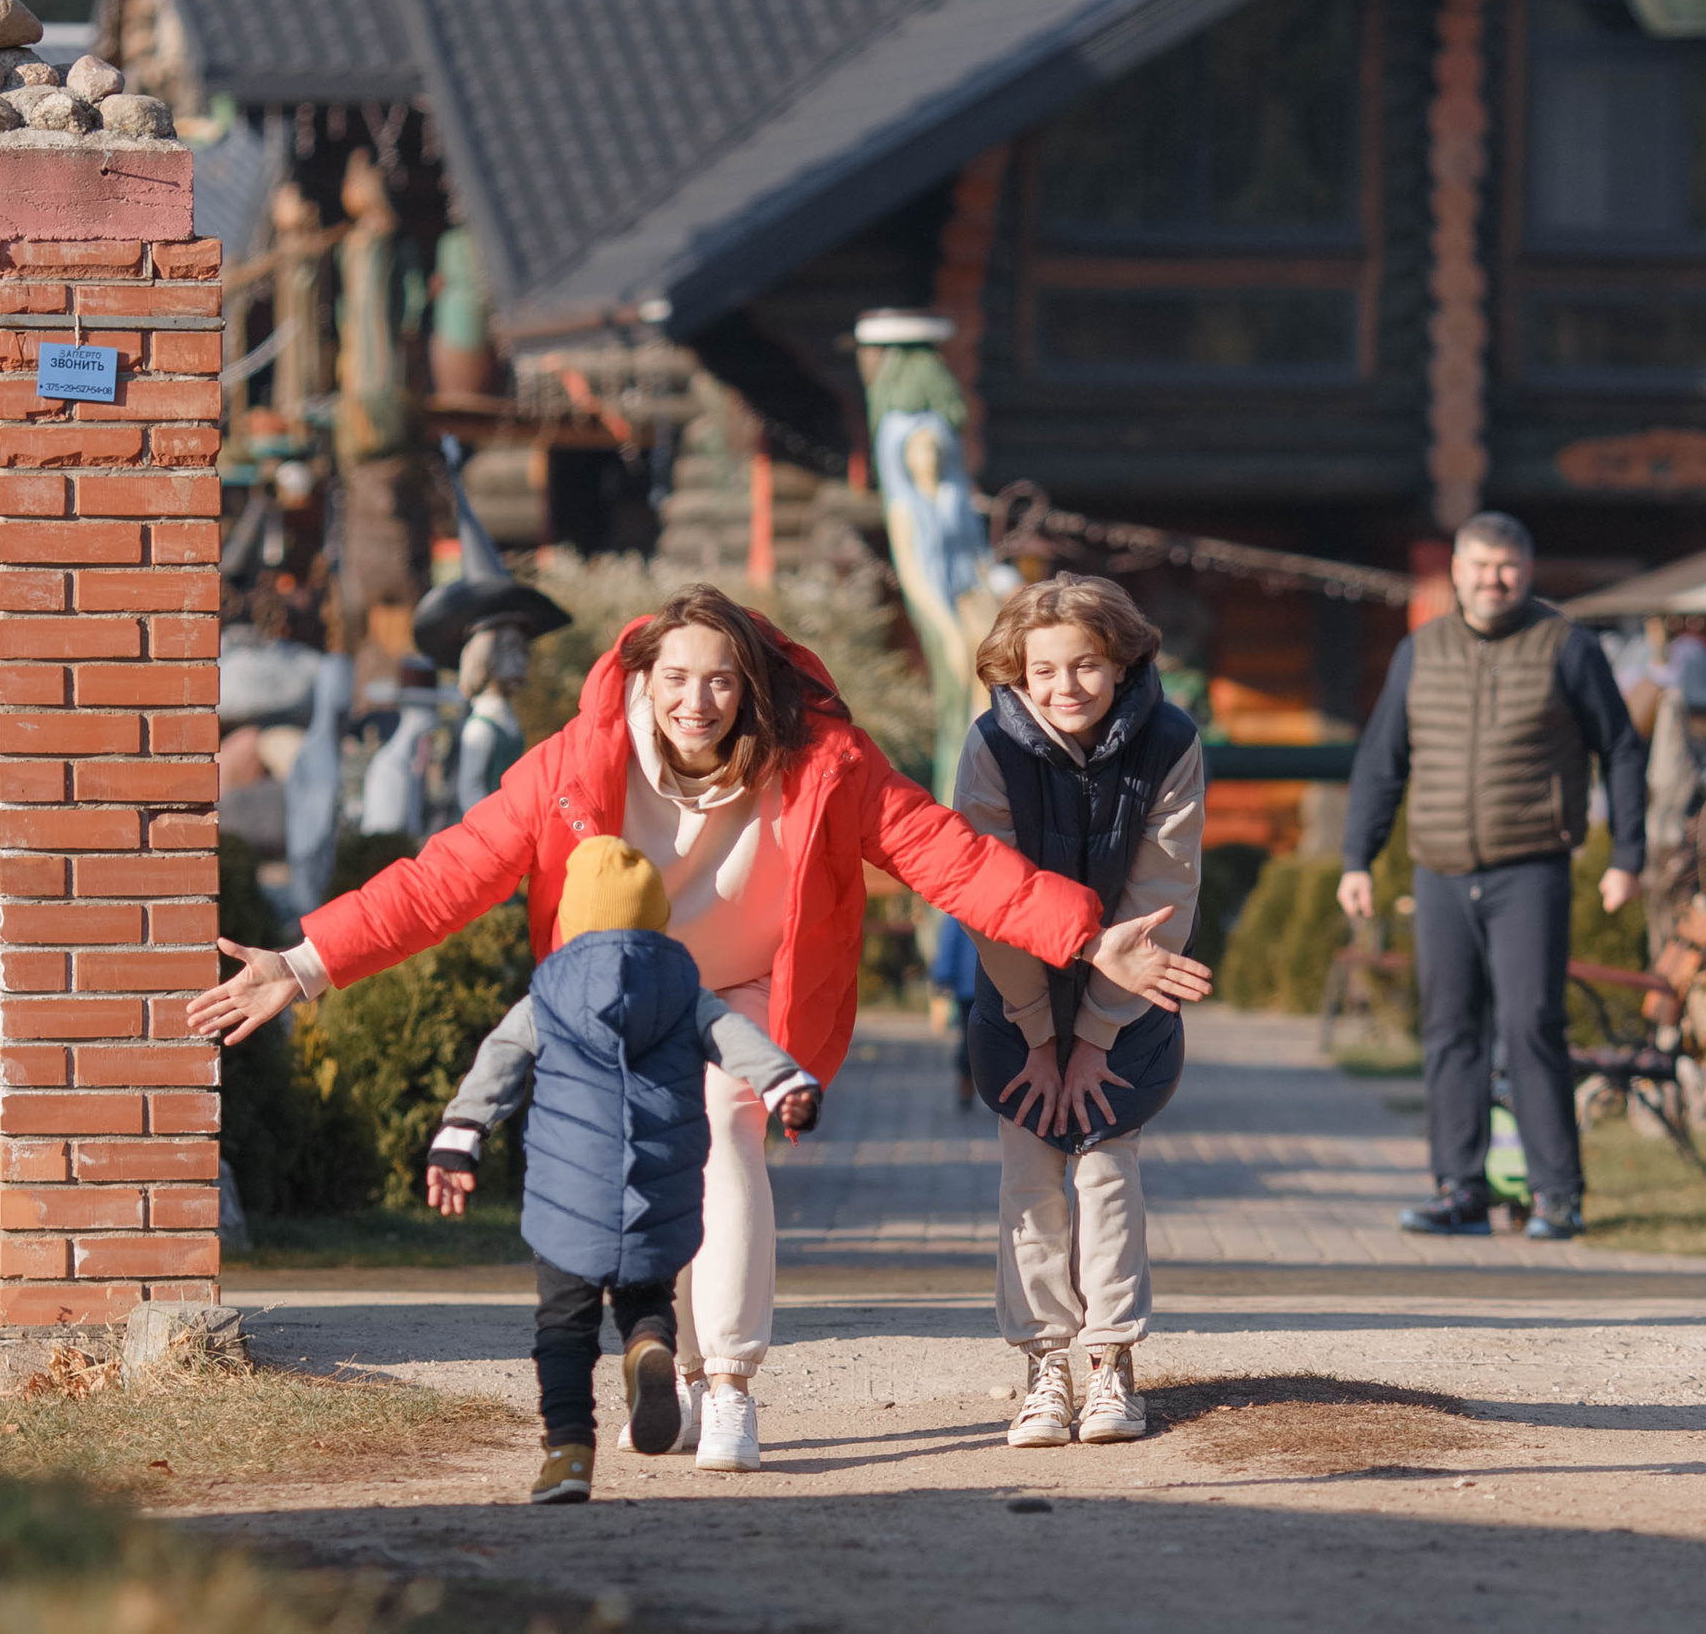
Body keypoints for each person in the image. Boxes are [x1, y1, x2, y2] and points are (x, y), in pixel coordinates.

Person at [189, 584, 1212, 1473]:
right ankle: (671, 1362)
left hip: (756, 988)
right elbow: (446, 876)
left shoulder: (824, 763)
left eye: (719, 679)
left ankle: (729, 1379)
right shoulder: (573, 766)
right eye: (674, 676)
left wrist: (1085, 939)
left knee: (727, 1128)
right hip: (628, 996)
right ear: (640, 675)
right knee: (648, 1166)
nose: (695, 700)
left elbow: (954, 859)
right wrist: (304, 962)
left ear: (751, 684)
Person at [422, 837, 815, 1500]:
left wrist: (459, 1137)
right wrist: (784, 1085)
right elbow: (736, 1040)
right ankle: (648, 1349)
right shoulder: (686, 989)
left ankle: (570, 1453)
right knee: (646, 1297)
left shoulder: (546, 995)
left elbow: (498, 1062)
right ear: (658, 918)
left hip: (567, 1196)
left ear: (572, 920)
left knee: (564, 1328)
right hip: (658, 1189)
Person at [1339, 513, 1648, 1241]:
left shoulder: (1566, 647)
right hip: (1440, 868)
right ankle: (1459, 1188)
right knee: (1449, 1031)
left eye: (1506, 566)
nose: (1493, 580)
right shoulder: (1421, 651)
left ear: (1528, 569)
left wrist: (1627, 856)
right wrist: (1359, 856)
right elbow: (1383, 761)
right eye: (1479, 566)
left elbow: (1623, 750)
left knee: (1529, 1025)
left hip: (1530, 867)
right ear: (1455, 570)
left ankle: (1557, 1195)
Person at [956, 575, 1202, 1449]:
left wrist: (1095, 1034)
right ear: (1014, 673)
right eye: (1044, 670)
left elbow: (1162, 893)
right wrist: (1038, 1034)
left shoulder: (1170, 741)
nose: (1066, 688)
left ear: (1122, 660)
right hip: (1015, 994)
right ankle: (1043, 1362)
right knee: (1029, 1176)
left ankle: (1111, 1361)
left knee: (1104, 1166)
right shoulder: (991, 745)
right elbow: (988, 895)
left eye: (1087, 665)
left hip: (1126, 996)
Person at [929, 914, 980, 1110]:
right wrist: (943, 974)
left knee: (969, 1039)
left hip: (971, 985)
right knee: (971, 1040)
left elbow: (948, 941)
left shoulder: (961, 904)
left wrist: (943, 975)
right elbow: (950, 940)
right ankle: (966, 1083)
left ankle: (966, 1085)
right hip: (973, 986)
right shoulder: (962, 908)